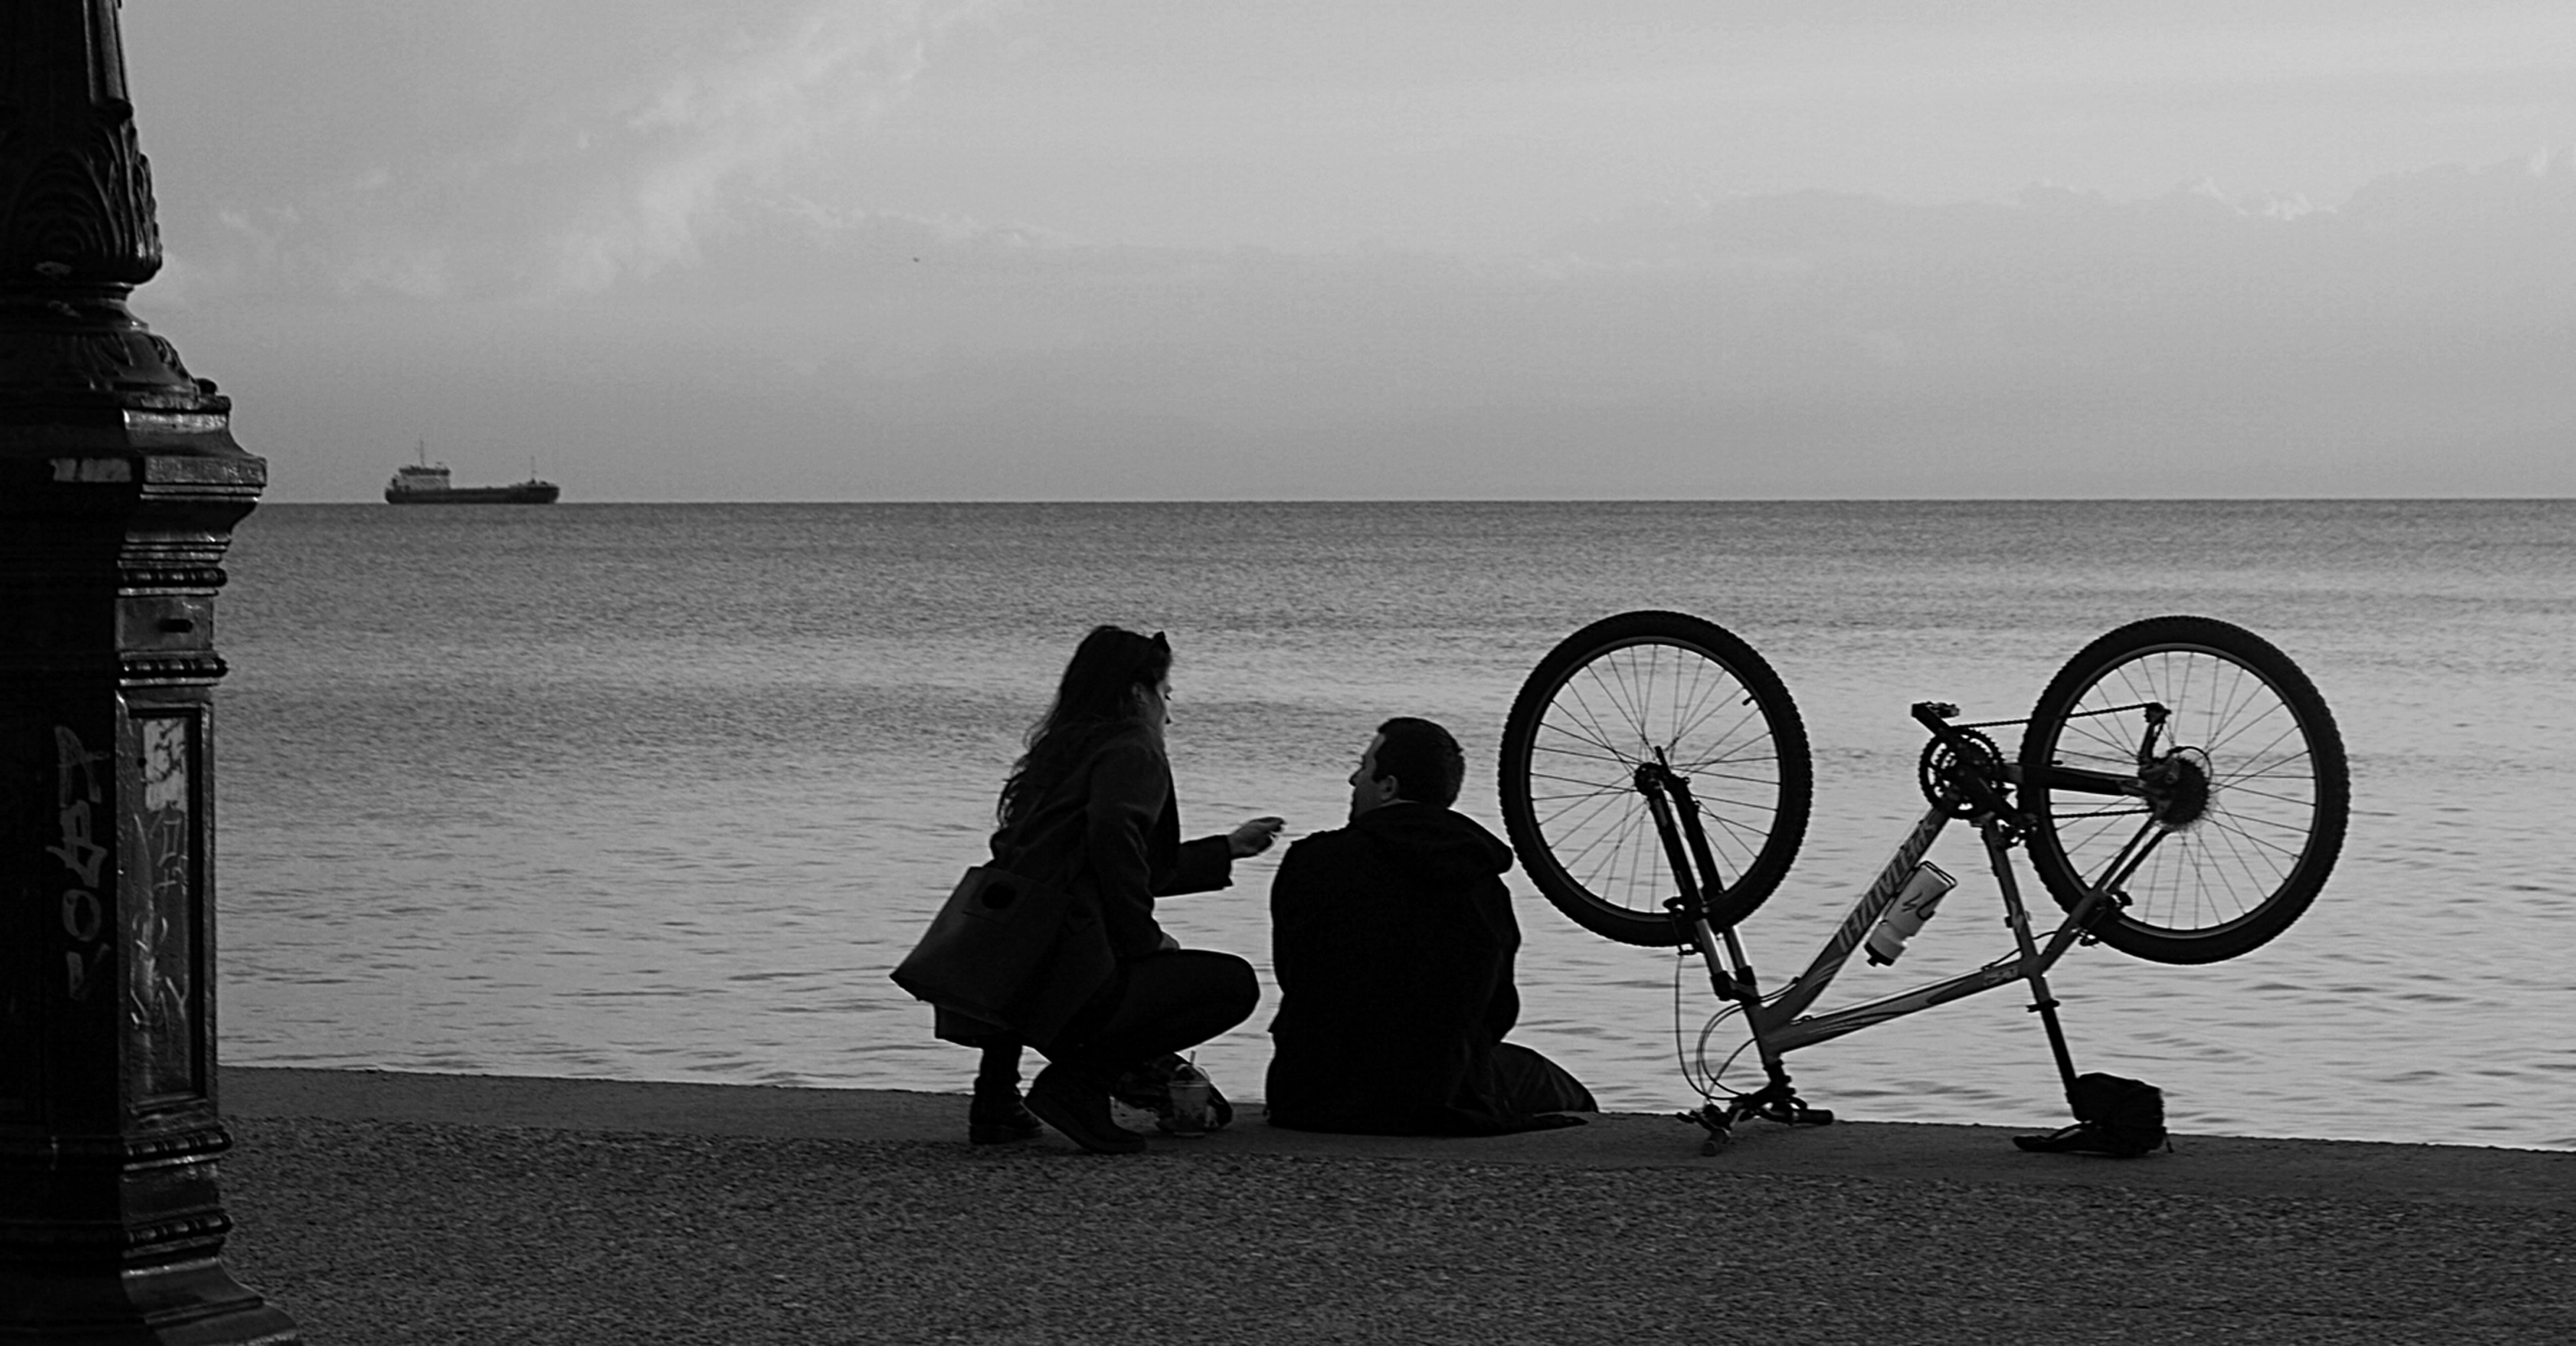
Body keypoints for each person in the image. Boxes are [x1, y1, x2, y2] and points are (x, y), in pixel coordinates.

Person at [946, 625, 1285, 1154]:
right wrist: (1143, 942)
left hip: (1012, 974)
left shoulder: (1058, 756)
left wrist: (1227, 849)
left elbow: (1077, 868)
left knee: (1030, 918)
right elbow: (1115, 842)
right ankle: (1076, 1086)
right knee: (1233, 984)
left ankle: (995, 1100)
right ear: (1136, 693)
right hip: (1073, 976)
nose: (1167, 713)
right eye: (1164, 694)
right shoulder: (1133, 749)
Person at [1264, 716, 1595, 1135]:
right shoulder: (1480, 881)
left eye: (1363, 768)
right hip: (1434, 1098)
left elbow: (1293, 975)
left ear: (1388, 787)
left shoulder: (1311, 863)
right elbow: (1497, 1008)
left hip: (1312, 1096)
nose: (1353, 780)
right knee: (1559, 1090)